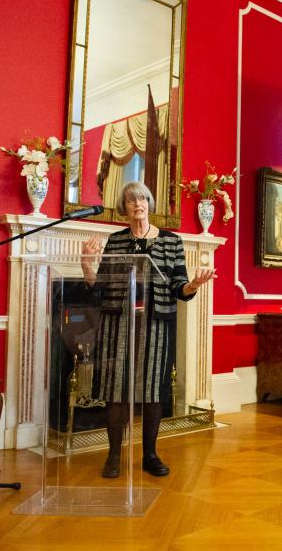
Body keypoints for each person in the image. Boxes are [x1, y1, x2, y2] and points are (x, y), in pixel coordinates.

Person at [81, 181, 216, 478]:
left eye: (142, 198)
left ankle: (150, 455)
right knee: (116, 390)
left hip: (155, 326)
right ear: (124, 208)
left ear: (149, 203)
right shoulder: (115, 241)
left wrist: (193, 284)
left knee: (154, 389)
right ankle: (114, 455)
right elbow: (99, 288)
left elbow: (180, 287)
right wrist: (86, 264)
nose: (137, 204)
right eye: (130, 200)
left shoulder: (171, 242)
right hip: (118, 323)